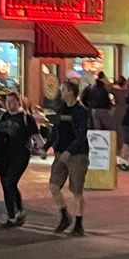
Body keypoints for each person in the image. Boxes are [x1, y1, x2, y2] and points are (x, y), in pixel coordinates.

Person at [42, 81, 90, 237]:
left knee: (77, 190)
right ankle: (64, 214)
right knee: (53, 185)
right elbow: (56, 130)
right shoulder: (61, 109)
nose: (60, 93)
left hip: (77, 155)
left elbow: (82, 135)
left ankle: (78, 224)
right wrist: (46, 147)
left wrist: (70, 151)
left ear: (70, 92)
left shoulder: (81, 111)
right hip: (60, 152)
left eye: (63, 90)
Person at [0, 91, 40, 228]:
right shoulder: (1, 117)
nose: (9, 104)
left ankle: (19, 212)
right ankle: (12, 216)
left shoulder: (26, 118)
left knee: (10, 181)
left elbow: (36, 136)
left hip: (20, 155)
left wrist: (42, 149)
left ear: (18, 102)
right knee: (6, 184)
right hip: (3, 156)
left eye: (12, 101)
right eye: (7, 101)